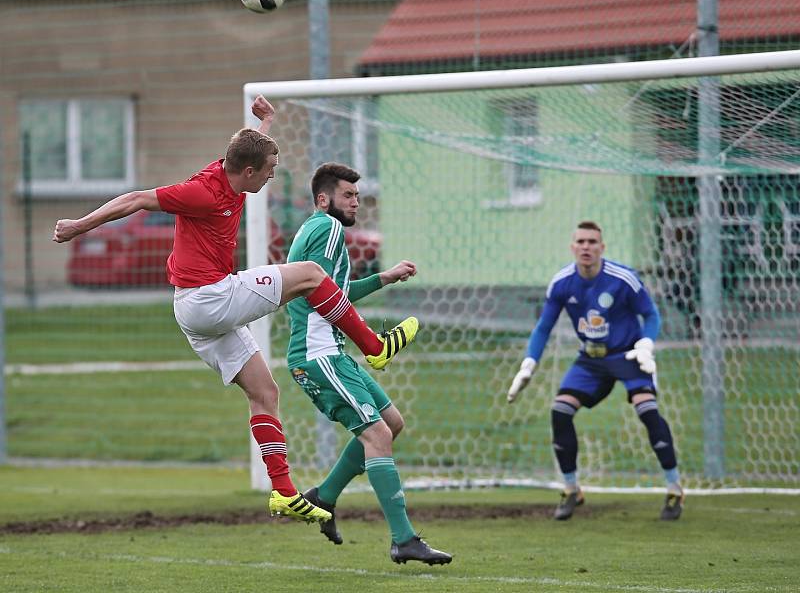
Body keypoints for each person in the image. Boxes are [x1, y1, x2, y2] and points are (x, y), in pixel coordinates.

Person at [52, 96, 418, 525]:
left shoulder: (236, 170)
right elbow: (136, 198)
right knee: (312, 275)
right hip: (209, 297)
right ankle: (374, 347)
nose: (272, 178)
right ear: (248, 172)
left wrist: (265, 122)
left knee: (265, 392)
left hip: (196, 312)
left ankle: (283, 493)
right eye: (270, 172)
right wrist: (79, 226)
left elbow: (251, 151)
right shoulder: (201, 192)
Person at [285, 162, 452, 565]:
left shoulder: (317, 228)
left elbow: (332, 292)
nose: (356, 202)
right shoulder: (326, 228)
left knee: (392, 423)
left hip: (332, 352)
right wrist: (373, 342)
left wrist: (386, 277)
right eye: (348, 195)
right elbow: (316, 296)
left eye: (358, 196)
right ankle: (404, 539)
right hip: (319, 355)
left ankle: (323, 496)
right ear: (324, 199)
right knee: (378, 435)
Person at [506, 220, 684, 521]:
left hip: (628, 355)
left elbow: (650, 314)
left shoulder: (623, 278)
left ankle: (674, 488)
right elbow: (543, 327)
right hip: (590, 360)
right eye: (581, 242)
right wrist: (529, 363)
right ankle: (572, 489)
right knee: (560, 411)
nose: (586, 247)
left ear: (602, 247)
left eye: (592, 242)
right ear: (572, 247)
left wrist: (646, 344)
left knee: (647, 410)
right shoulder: (562, 282)